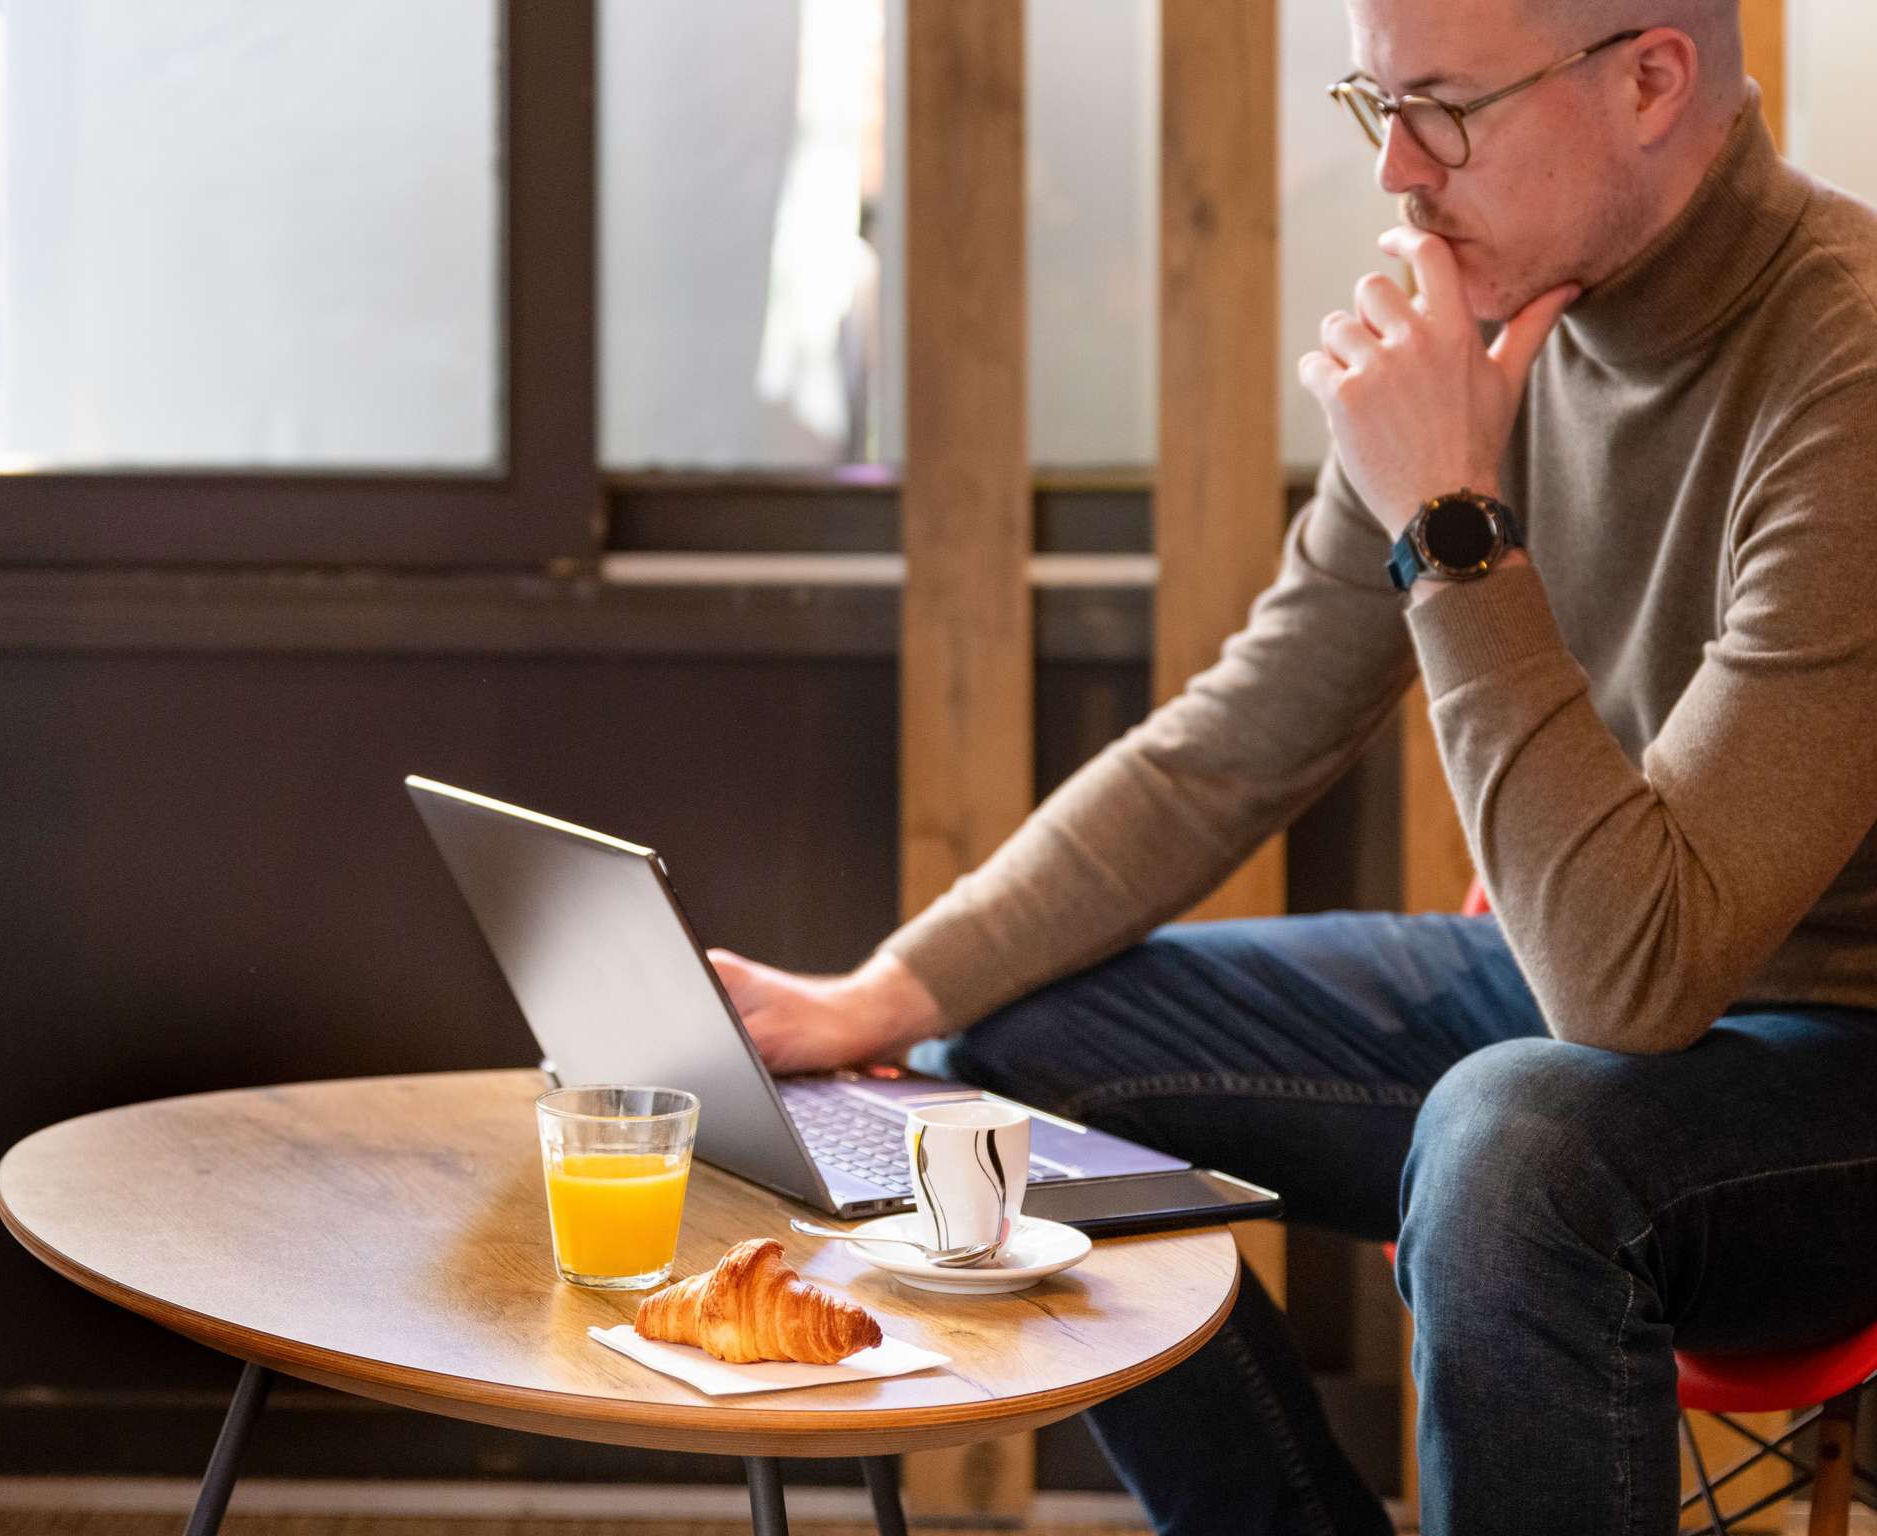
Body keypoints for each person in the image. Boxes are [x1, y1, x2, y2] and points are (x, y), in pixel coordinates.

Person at [711, 0, 1877, 1531]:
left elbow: (1633, 986)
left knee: (1516, 1146)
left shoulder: (1844, 369)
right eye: (1373, 103)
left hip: (1831, 1057)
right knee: (1004, 1076)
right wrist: (891, 992)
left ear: (1652, 79)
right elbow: (1235, 741)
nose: (1397, 170)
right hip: (1582, 1002)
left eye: (1446, 108)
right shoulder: (1474, 336)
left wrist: (1452, 530)